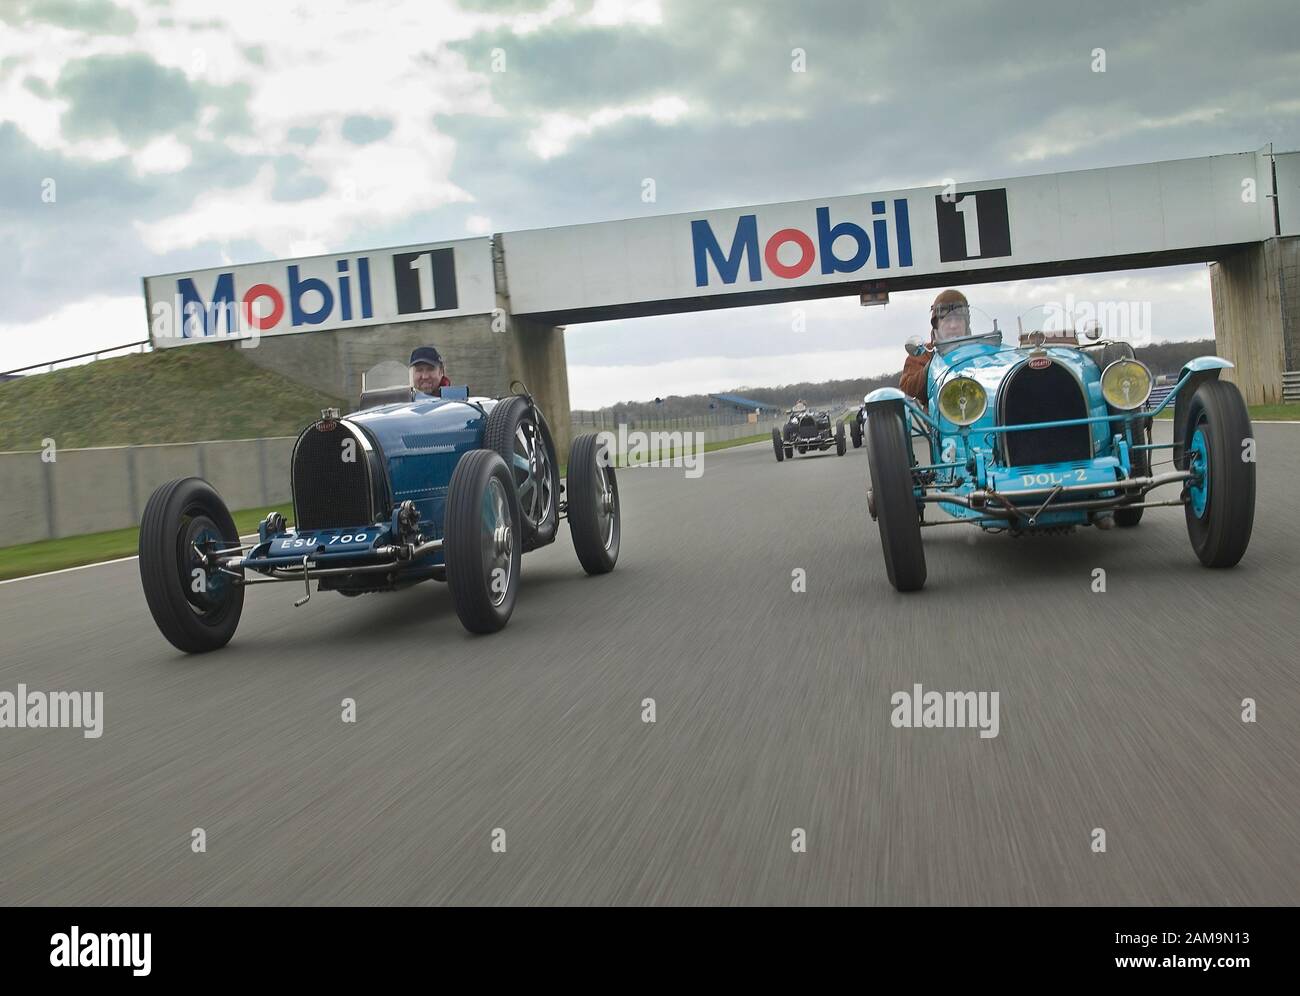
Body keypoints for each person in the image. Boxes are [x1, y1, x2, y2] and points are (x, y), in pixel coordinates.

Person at [900, 289, 970, 405]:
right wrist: (932, 366)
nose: (953, 326)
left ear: (966, 324)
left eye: (958, 319)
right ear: (936, 325)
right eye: (947, 320)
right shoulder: (924, 352)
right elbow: (908, 387)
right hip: (937, 418)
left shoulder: (980, 351)